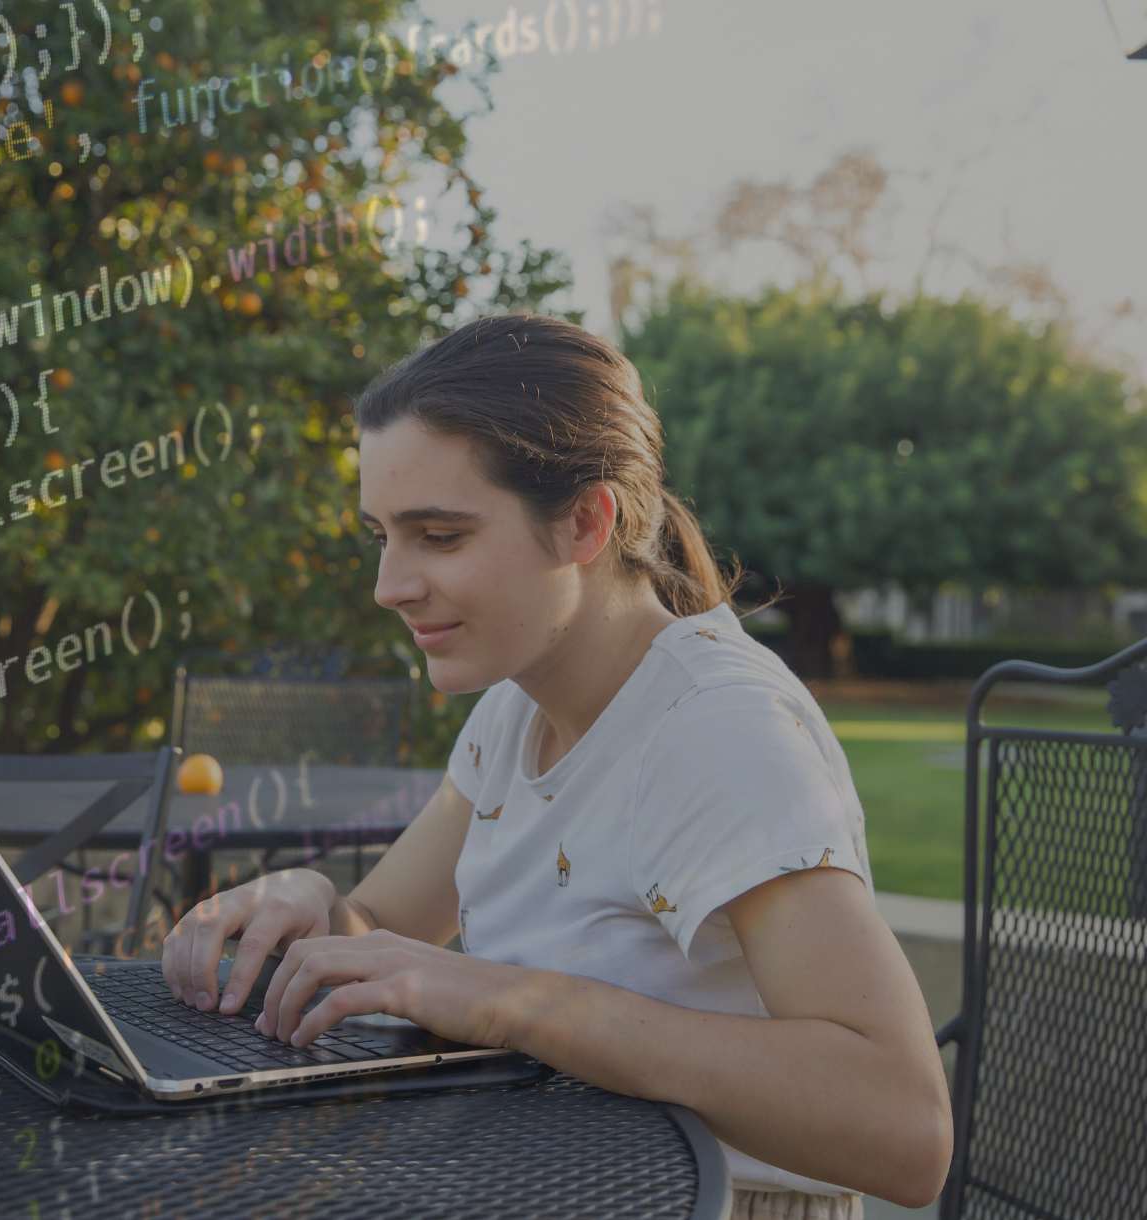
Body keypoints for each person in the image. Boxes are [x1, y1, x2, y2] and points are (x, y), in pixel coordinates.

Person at [160, 313, 952, 1218]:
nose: (390, 584)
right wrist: (308, 900)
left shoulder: (715, 733)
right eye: (382, 535)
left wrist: (514, 1004)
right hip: (548, 1181)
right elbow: (383, 921)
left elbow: (904, 1129)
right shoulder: (517, 703)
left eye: (440, 536)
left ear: (585, 521)